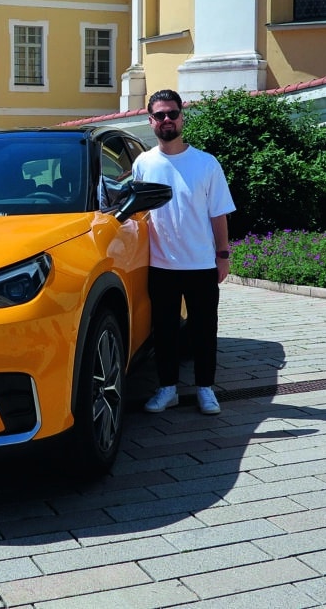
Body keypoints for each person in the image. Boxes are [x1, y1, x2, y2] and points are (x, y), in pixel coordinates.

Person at [133, 89, 235, 415]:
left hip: (201, 263)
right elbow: (135, 212)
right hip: (160, 264)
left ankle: (206, 390)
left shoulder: (206, 163)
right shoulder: (144, 164)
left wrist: (223, 255)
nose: (167, 120)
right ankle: (168, 390)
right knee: (163, 332)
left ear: (182, 117)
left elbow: (218, 213)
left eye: (172, 114)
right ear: (150, 121)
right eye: (160, 115)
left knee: (204, 331)